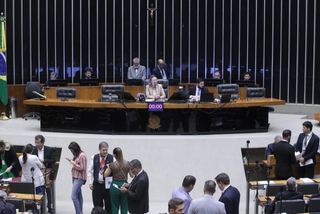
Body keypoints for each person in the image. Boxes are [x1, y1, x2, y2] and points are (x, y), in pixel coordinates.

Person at [104, 147, 133, 214]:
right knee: (124, 206)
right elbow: (132, 175)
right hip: (125, 185)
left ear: (114, 155)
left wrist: (108, 167)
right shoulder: (127, 163)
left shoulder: (112, 165)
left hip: (114, 185)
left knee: (114, 206)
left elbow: (105, 175)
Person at [88, 142, 114, 214]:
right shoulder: (94, 157)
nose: (105, 152)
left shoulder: (112, 158)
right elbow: (90, 171)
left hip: (107, 185)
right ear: (99, 149)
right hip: (97, 184)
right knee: (97, 205)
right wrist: (90, 183)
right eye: (103, 150)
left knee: (109, 205)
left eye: (106, 150)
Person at [33, 135, 56, 213]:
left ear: (42, 142)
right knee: (39, 189)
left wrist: (44, 160)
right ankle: (40, 206)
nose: (37, 144)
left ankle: (50, 206)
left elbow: (53, 160)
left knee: (48, 189)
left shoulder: (48, 149)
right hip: (37, 171)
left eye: (38, 143)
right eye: (36, 142)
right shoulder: (33, 149)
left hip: (46, 171)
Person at [67, 142, 87, 214]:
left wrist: (73, 163)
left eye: (72, 150)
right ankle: (80, 211)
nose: (71, 152)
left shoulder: (82, 156)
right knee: (78, 195)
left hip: (79, 178)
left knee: (73, 196)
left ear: (75, 149)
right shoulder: (77, 155)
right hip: (75, 176)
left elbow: (82, 167)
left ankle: (78, 212)